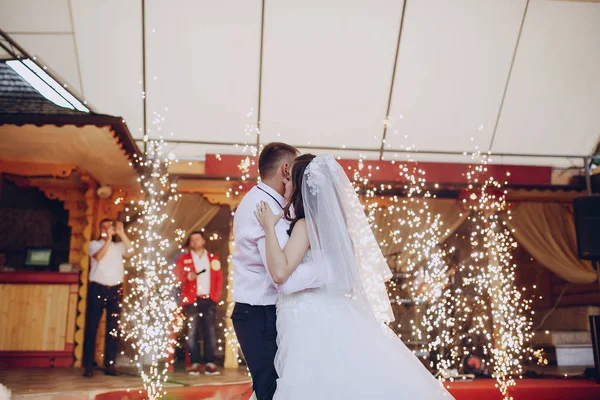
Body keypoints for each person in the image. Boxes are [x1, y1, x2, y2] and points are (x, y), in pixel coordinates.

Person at [254, 154, 455, 400]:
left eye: (288, 181)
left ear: (299, 186)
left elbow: (280, 272)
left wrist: (267, 229)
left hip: (308, 321)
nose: (284, 185)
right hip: (337, 311)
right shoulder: (337, 233)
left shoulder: (305, 225)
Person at [231, 142, 300, 400]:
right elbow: (279, 269)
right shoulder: (262, 206)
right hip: (259, 314)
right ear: (285, 170)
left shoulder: (272, 203)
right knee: (271, 391)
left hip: (264, 311)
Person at [83, 219, 132, 378]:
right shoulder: (94, 244)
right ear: (99, 229)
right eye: (103, 227)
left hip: (115, 289)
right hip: (98, 287)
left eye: (109, 227)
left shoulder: (119, 247)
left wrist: (122, 233)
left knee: (113, 328)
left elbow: (131, 252)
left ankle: (110, 364)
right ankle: (88, 365)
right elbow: (98, 257)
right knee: (92, 326)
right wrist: (108, 239)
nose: (106, 230)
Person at [175, 231, 223, 375]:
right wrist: (187, 276)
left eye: (197, 239)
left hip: (209, 299)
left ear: (203, 241)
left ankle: (209, 362)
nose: (195, 242)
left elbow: (219, 279)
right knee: (192, 332)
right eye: (192, 240)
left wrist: (215, 297)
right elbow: (177, 276)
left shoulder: (213, 259)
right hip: (191, 300)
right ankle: (195, 363)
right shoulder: (184, 259)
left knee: (210, 331)